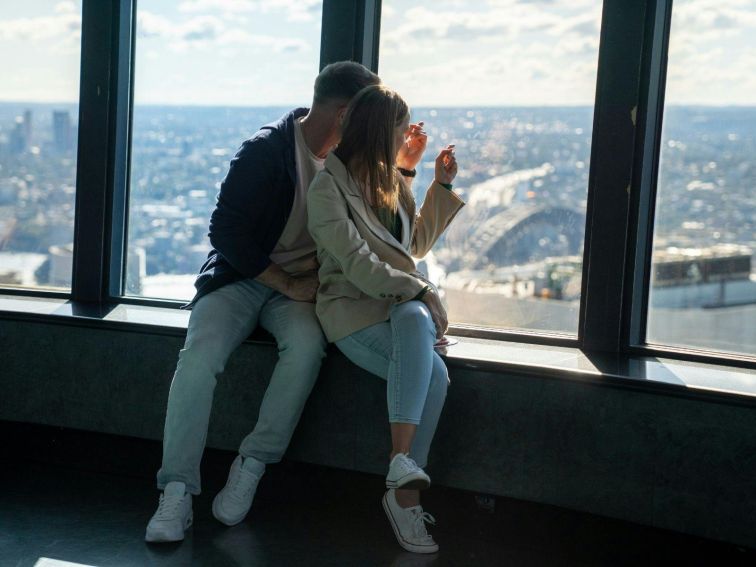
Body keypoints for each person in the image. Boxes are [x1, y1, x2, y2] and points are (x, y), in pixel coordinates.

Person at [145, 62, 381, 543]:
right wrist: (286, 284)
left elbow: (382, 221)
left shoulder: (349, 160)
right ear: (342, 113)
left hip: (299, 286)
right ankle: (176, 493)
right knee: (199, 358)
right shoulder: (266, 151)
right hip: (243, 277)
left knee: (306, 350)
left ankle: (251, 465)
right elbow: (224, 232)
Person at [307, 84, 464, 554]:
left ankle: (401, 468)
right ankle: (405, 496)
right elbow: (357, 263)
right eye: (402, 125)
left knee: (417, 319)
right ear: (381, 130)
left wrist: (431, 181)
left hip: (396, 308)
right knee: (434, 373)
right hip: (352, 312)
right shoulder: (326, 188)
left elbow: (409, 248)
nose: (409, 133)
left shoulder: (388, 179)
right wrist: (418, 289)